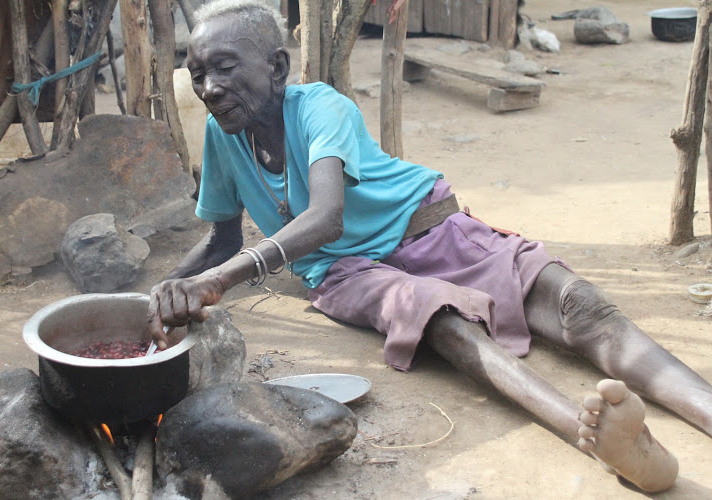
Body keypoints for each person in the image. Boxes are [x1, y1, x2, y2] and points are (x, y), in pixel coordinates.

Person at [148, 0, 712, 492]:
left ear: (276, 68)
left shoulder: (322, 108)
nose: (209, 88)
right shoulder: (223, 134)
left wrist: (222, 277)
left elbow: (324, 217)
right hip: (349, 271)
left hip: (430, 228)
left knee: (580, 306)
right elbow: (222, 236)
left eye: (223, 68)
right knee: (441, 322)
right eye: (197, 73)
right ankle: (598, 441)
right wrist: (171, 286)